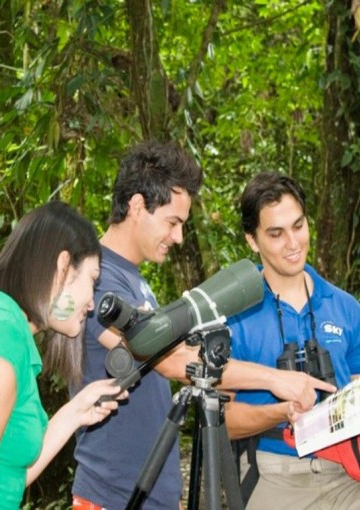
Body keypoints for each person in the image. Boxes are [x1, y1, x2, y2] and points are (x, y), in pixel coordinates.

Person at [72, 142, 335, 510]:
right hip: (114, 492)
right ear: (136, 207)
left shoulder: (133, 280)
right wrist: (277, 380)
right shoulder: (100, 281)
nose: (178, 237)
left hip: (148, 489)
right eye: (173, 222)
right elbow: (168, 359)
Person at [223, 172, 360, 509]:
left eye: (298, 226)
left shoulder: (345, 308)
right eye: (276, 233)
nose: (293, 243)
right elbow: (221, 422)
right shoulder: (236, 315)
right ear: (252, 241)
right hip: (272, 473)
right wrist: (280, 412)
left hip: (345, 471)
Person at [0, 201, 128, 509]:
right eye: (92, 280)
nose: (92, 304)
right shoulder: (0, 347)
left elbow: (5, 476)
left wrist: (76, 412)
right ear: (62, 267)